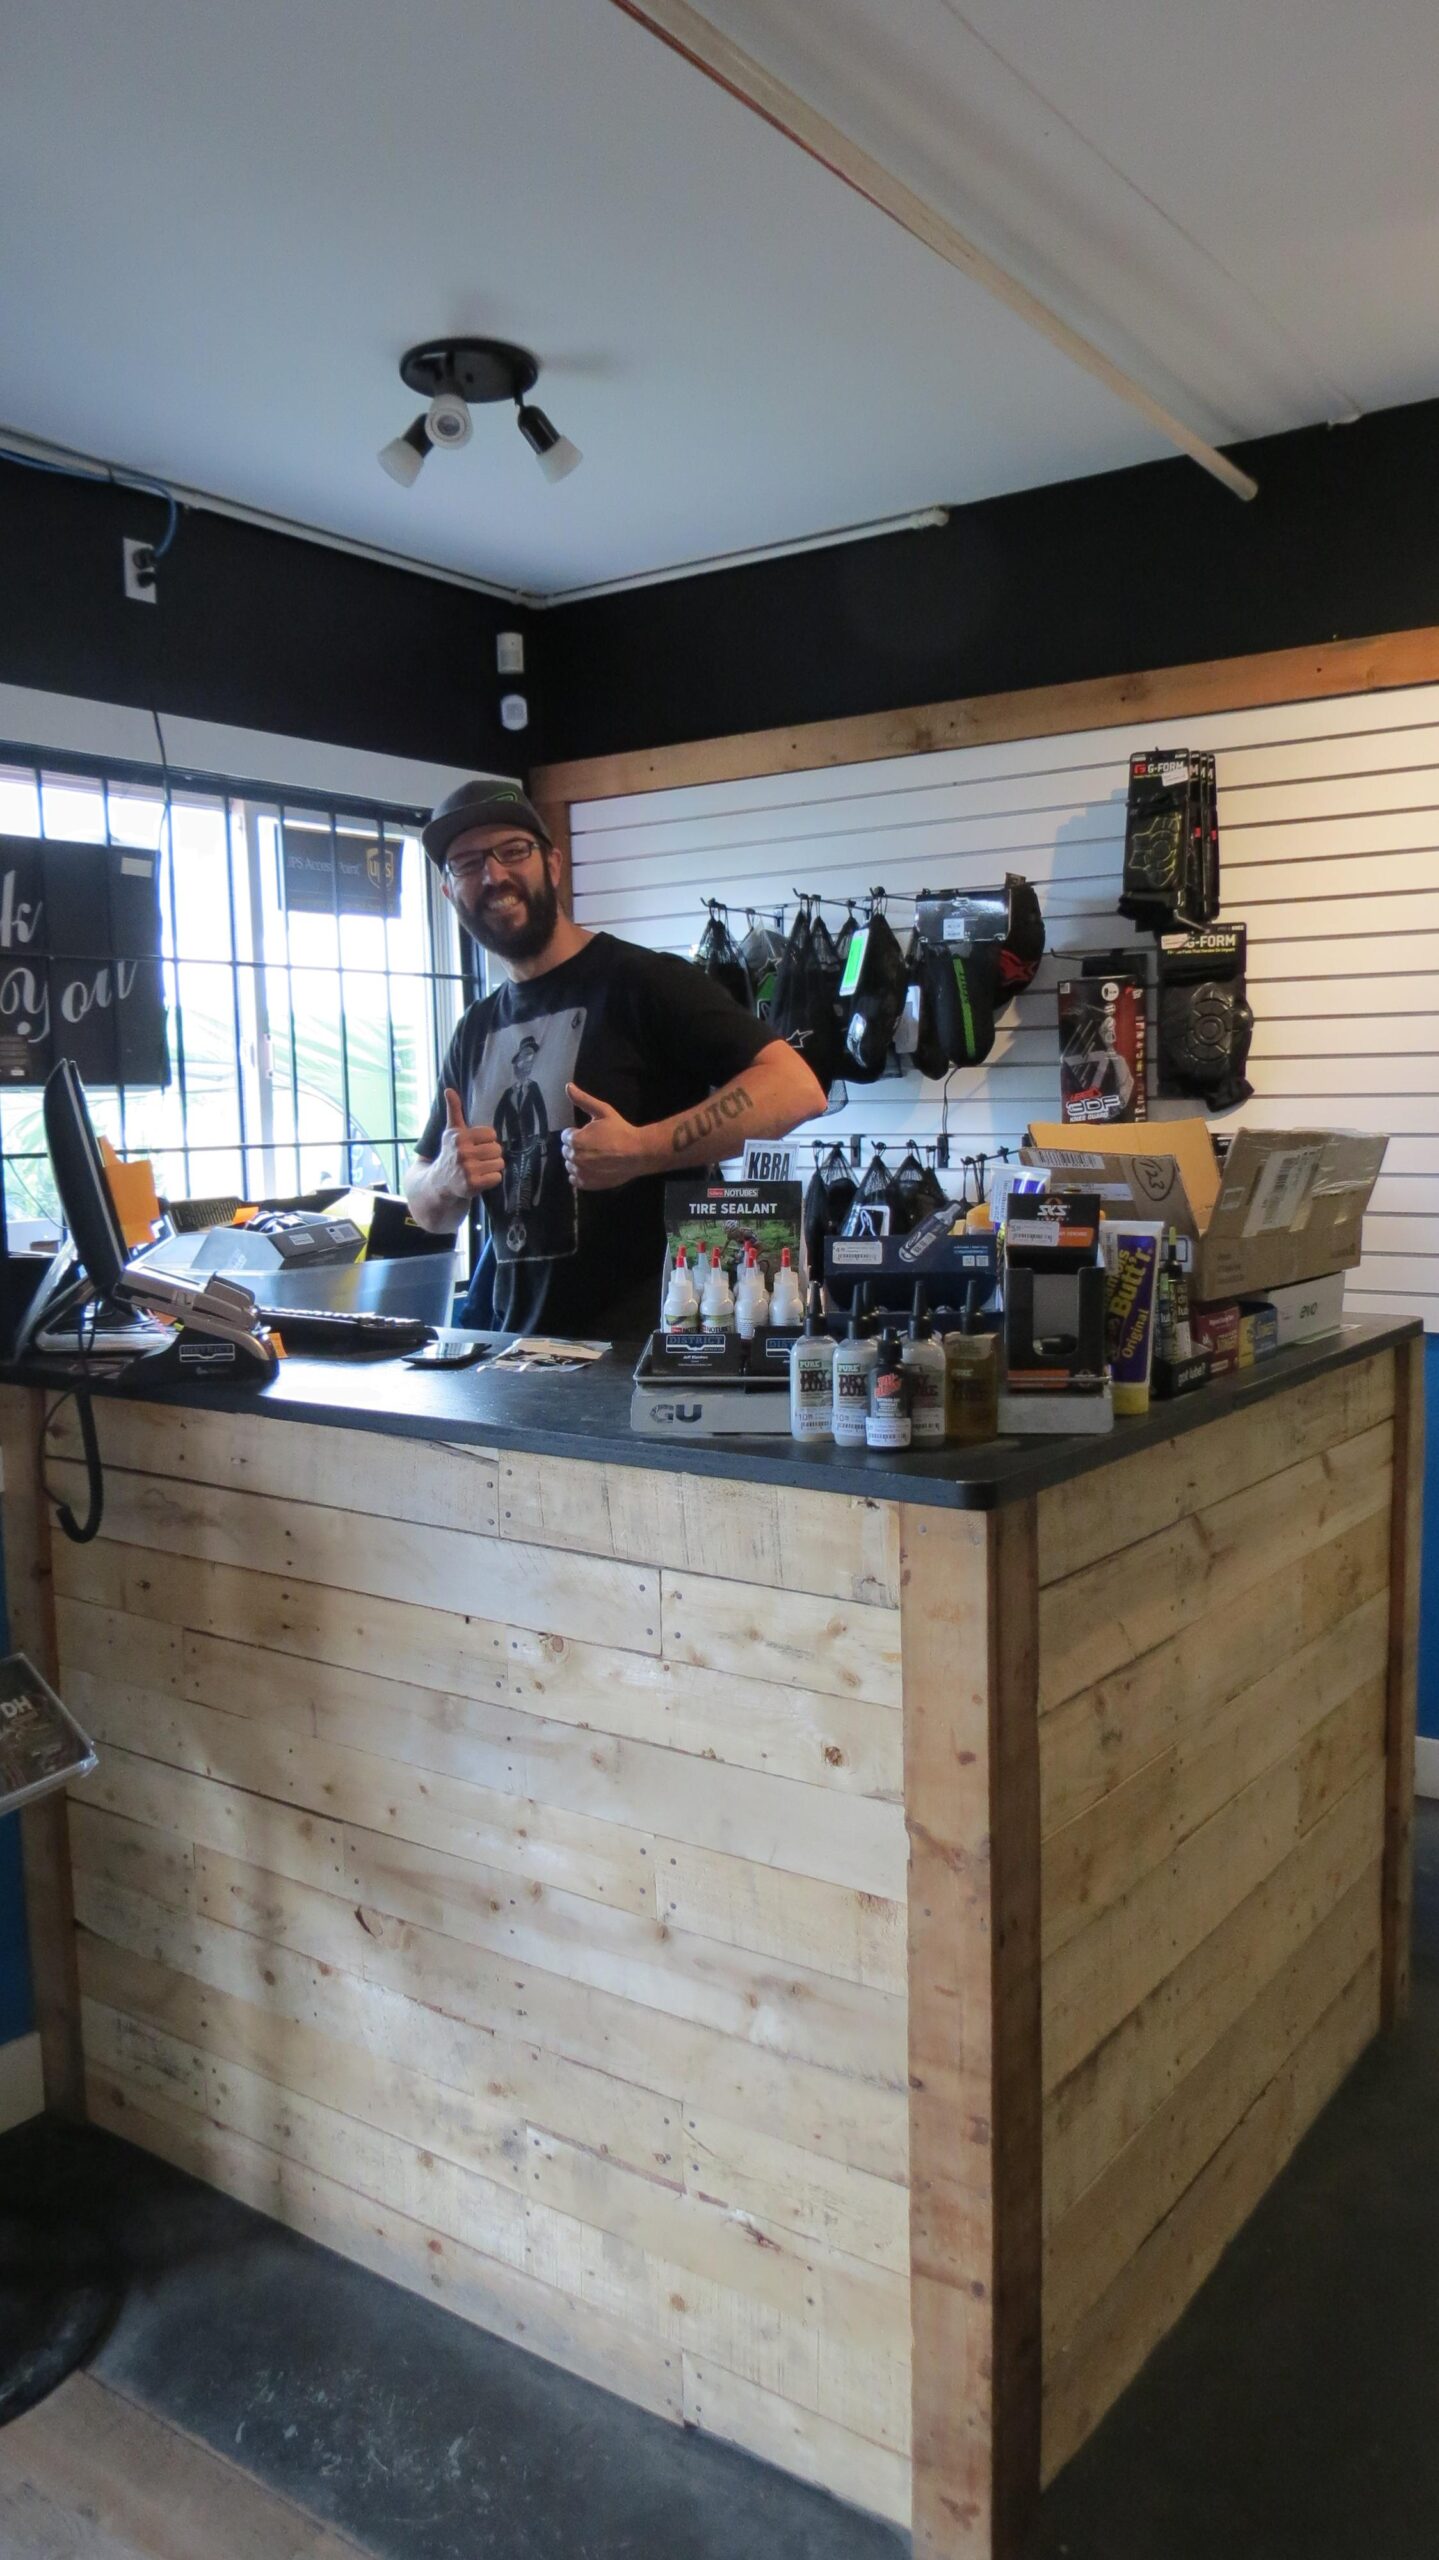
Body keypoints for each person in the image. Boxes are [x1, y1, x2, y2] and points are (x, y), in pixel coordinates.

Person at [405, 780, 825, 1335]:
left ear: (552, 864)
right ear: (448, 892)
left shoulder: (645, 983)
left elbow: (797, 1088)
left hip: (651, 1353)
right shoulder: (475, 1030)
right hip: (518, 1355)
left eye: (512, 851)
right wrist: (444, 1179)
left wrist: (642, 1149)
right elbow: (424, 1205)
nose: (493, 875)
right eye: (466, 863)